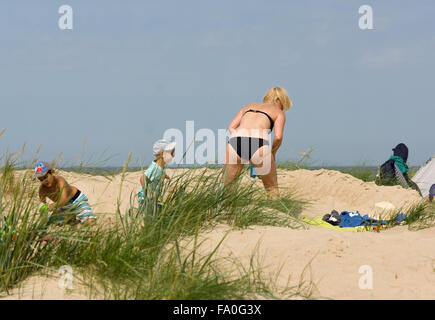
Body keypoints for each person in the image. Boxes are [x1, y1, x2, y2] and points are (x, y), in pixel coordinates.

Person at [223, 87, 292, 199]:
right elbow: (278, 137)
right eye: (284, 104)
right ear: (279, 100)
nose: (283, 108)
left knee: (227, 190)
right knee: (272, 189)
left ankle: (227, 215)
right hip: (259, 144)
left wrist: (243, 142)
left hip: (235, 142)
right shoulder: (278, 112)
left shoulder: (248, 106)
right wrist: (272, 153)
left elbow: (231, 127)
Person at [35, 161, 96, 225]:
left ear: (52, 172)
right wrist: (45, 210)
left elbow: (64, 199)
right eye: (41, 180)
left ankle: (83, 216)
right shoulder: (42, 190)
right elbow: (44, 205)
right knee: (54, 223)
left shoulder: (60, 181)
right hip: (63, 207)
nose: (44, 181)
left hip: (76, 200)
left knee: (90, 222)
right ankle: (70, 217)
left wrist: (51, 206)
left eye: (45, 177)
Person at [137, 139, 176, 204]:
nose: (173, 155)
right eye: (171, 153)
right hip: (144, 196)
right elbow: (142, 179)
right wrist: (149, 193)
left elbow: (161, 173)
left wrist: (167, 177)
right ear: (162, 154)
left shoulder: (161, 167)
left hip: (153, 197)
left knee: (163, 205)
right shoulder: (154, 167)